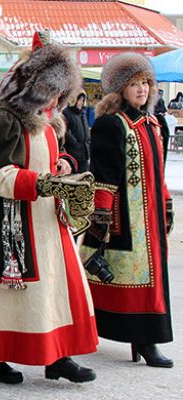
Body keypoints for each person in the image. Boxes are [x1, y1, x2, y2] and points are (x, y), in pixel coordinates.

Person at [0, 32, 98, 385]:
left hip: (47, 219)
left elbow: (50, 158)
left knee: (54, 288)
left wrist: (64, 164)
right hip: (11, 221)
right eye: (49, 89)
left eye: (58, 91)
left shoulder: (48, 122)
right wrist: (39, 184)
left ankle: (57, 355)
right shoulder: (5, 120)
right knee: (10, 294)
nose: (54, 97)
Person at [80, 52, 174, 368]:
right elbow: (104, 177)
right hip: (125, 221)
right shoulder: (111, 125)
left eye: (145, 83)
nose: (142, 89)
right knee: (125, 279)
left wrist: (166, 203)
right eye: (134, 84)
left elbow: (158, 172)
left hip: (150, 219)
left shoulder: (153, 124)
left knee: (153, 280)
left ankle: (144, 339)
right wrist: (101, 219)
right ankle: (143, 340)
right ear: (121, 89)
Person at [62, 91, 91, 172]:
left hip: (84, 154)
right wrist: (73, 141)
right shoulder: (66, 113)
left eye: (83, 100)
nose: (81, 102)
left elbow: (86, 132)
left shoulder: (82, 114)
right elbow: (64, 131)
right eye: (80, 100)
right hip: (73, 154)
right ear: (74, 100)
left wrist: (88, 143)